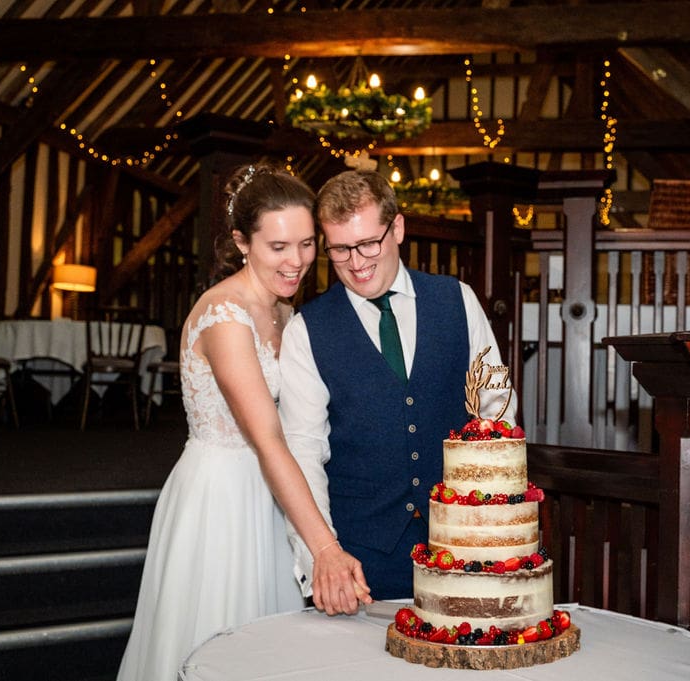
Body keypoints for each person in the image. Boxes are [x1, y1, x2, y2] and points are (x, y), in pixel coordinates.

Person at [117, 163, 370, 681]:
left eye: (305, 244)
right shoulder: (224, 317)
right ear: (241, 242)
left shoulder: (285, 313)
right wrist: (325, 547)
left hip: (271, 493)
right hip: (221, 500)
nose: (296, 260)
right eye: (278, 247)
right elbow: (268, 437)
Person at [278, 169, 515, 601]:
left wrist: (492, 529)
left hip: (461, 547)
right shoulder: (306, 330)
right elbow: (302, 452)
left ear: (398, 228)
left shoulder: (457, 300)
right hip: (360, 559)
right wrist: (322, 554)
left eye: (368, 243)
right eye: (340, 249)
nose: (356, 261)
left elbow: (495, 412)